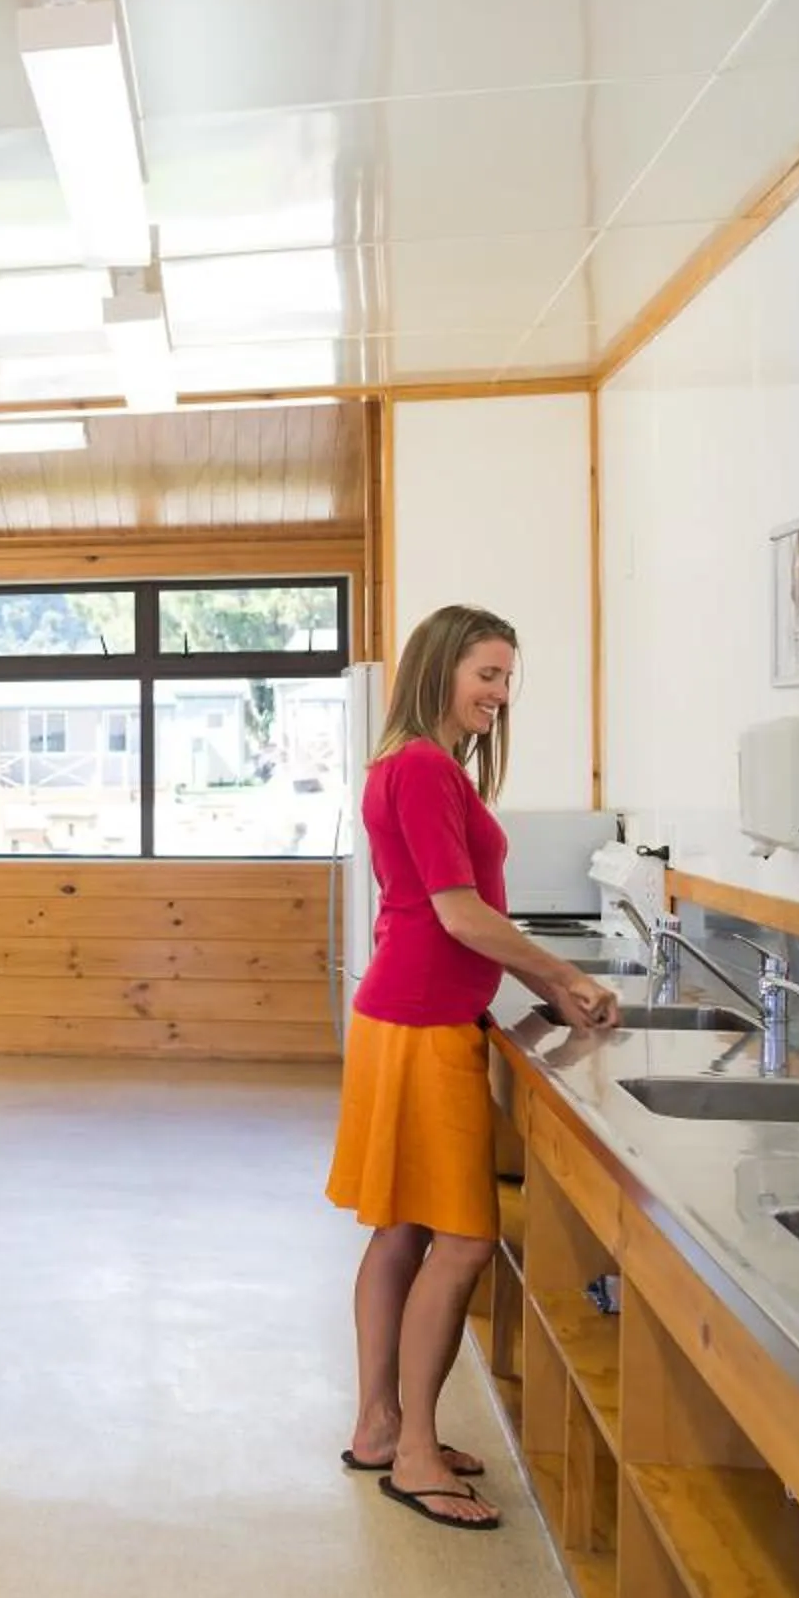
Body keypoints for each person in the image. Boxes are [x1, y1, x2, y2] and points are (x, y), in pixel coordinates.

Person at [329, 605, 618, 1530]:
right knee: (458, 1241)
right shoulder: (421, 766)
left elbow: (450, 912)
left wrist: (529, 973)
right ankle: (415, 1451)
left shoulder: (416, 765)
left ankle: (382, 1426)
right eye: (486, 674)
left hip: (406, 1015)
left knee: (406, 1232)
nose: (499, 694)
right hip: (418, 1021)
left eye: (506, 679)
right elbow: (457, 913)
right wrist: (559, 972)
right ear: (441, 669)